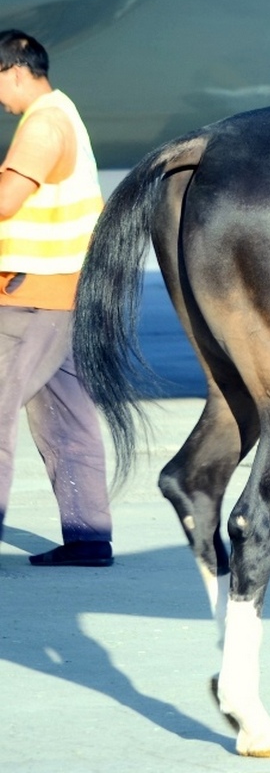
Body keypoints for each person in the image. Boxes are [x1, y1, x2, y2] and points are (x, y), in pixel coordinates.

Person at [0, 29, 113, 566]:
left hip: (29, 294)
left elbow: (7, 200)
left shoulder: (42, 123)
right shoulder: (66, 112)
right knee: (69, 416)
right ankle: (88, 539)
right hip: (64, 290)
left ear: (14, 71)